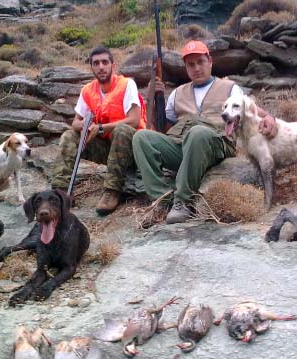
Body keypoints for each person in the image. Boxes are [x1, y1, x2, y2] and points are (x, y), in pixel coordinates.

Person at [132, 40, 276, 224]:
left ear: (210, 62)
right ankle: (162, 199)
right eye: (191, 64)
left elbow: (250, 108)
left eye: (200, 62)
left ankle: (183, 201)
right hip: (183, 146)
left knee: (198, 133)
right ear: (185, 68)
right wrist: (151, 98)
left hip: (217, 144)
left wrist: (268, 117)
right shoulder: (177, 93)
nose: (197, 68)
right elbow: (163, 129)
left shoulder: (229, 88)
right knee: (141, 137)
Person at [50, 45, 146, 215]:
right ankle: (60, 192)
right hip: (108, 150)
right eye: (96, 63)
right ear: (91, 68)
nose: (101, 67)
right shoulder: (87, 90)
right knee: (69, 136)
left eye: (104, 62)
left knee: (121, 130)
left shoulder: (126, 84)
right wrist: (85, 127)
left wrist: (101, 128)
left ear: (112, 65)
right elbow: (75, 122)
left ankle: (112, 190)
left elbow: (134, 120)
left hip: (132, 149)